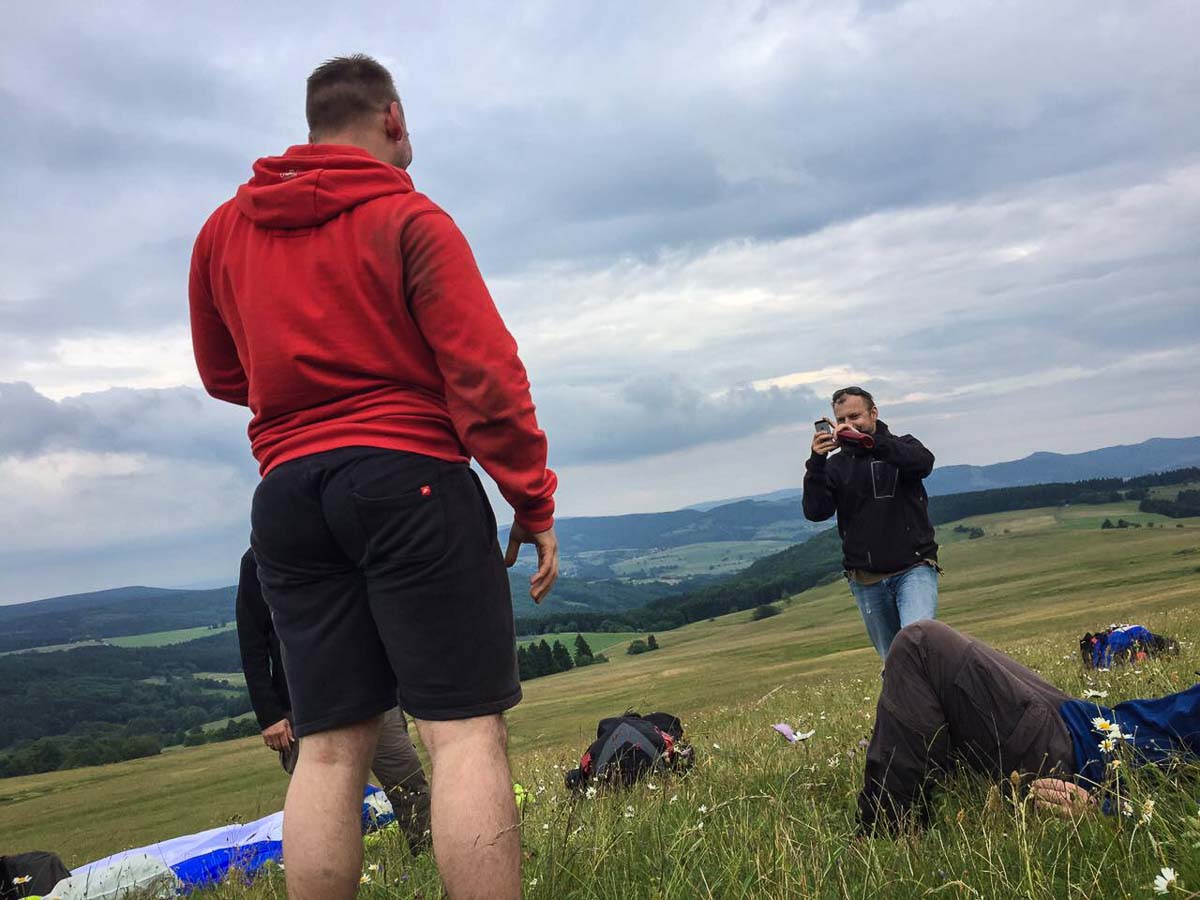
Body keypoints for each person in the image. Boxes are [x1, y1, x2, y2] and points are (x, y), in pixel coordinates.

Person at [189, 54, 559, 900]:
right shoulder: (410, 217)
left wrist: (303, 398)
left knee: (327, 747)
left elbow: (222, 372)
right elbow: (486, 377)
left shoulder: (221, 233)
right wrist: (531, 497)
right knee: (462, 733)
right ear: (393, 117)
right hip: (411, 480)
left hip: (287, 494)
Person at [858, 620, 1200, 834]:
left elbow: (1181, 819)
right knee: (937, 664)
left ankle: (885, 833)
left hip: (1076, 757)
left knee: (920, 646)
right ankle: (938, 781)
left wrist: (1102, 813)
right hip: (1085, 719)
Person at [234, 548, 431, 851]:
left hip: (374, 691)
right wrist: (269, 715)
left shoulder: (352, 538)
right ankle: (334, 874)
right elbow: (252, 642)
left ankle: (428, 857)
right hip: (303, 703)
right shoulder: (259, 557)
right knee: (322, 804)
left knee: (408, 782)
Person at [802, 386, 938, 659]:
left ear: (873, 413)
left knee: (918, 643)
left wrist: (869, 442)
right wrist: (816, 462)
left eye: (855, 417)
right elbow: (816, 512)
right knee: (894, 660)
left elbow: (923, 463)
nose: (848, 424)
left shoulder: (903, 445)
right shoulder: (835, 466)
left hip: (914, 568)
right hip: (866, 579)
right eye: (841, 420)